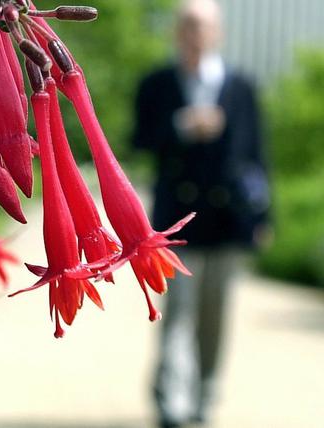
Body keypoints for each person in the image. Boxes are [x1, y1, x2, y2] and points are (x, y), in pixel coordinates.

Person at [131, 0, 271, 427]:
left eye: (203, 26)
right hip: (175, 221)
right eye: (188, 26)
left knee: (215, 315)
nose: (195, 34)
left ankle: (205, 395)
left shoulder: (241, 85)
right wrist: (180, 127)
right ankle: (168, 398)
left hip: (229, 220)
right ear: (178, 32)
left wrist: (265, 217)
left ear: (218, 33)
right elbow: (138, 140)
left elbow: (259, 155)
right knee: (177, 311)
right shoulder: (155, 84)